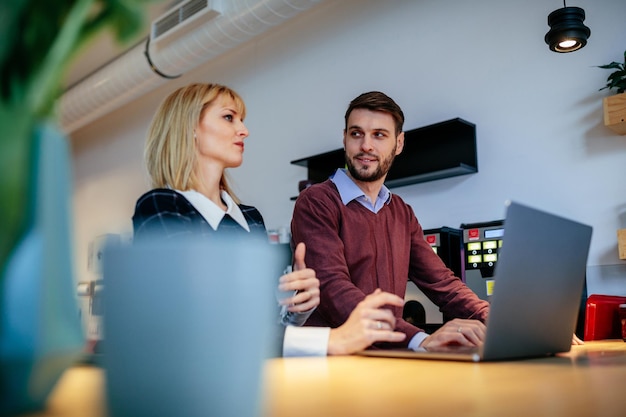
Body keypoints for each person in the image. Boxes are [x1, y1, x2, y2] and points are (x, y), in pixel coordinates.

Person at [131, 82, 406, 356]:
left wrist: (298, 306)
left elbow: (263, 329)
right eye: (229, 117)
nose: (244, 130)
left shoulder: (250, 219)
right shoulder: (161, 207)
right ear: (190, 127)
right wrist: (328, 340)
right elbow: (198, 322)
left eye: (241, 120)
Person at [291, 91, 490, 351]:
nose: (366, 146)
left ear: (399, 143)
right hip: (336, 361)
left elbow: (441, 282)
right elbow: (333, 290)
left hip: (388, 356)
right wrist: (420, 338)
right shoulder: (316, 202)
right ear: (344, 138)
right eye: (356, 133)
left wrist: (495, 321)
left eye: (379, 135)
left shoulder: (401, 212)